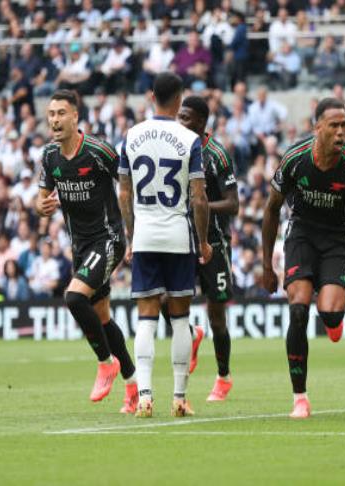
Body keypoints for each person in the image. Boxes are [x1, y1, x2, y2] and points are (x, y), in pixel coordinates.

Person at [262, 97, 345, 419]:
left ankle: (333, 321)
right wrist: (266, 267)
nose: (341, 132)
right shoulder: (294, 160)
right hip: (300, 234)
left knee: (330, 312)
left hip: (336, 240)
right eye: (334, 126)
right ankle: (300, 398)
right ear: (318, 128)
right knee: (298, 309)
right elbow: (271, 210)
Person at [35, 89, 137, 413]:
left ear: (75, 116)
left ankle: (106, 363)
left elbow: (127, 184)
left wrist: (134, 232)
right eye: (51, 114)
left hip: (108, 239)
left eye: (61, 113)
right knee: (103, 317)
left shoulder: (98, 152)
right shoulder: (49, 156)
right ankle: (133, 386)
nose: (55, 120)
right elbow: (41, 198)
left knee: (74, 298)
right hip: (79, 246)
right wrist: (43, 206)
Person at [118, 72, 211, 418]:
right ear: (179, 98)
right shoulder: (189, 139)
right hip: (176, 233)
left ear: (151, 95)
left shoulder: (131, 135)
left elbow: (124, 192)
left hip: (144, 233)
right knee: (181, 318)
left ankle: (143, 396)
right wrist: (202, 242)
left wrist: (130, 236)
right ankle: (179, 397)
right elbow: (199, 198)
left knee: (146, 319)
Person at [176, 95, 239, 402]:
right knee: (166, 301)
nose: (180, 122)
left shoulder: (216, 154)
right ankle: (190, 335)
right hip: (179, 241)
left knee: (216, 314)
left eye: (185, 118)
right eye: (178, 116)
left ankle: (223, 377)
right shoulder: (175, 149)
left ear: (201, 122)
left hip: (214, 243)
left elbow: (234, 203)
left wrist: (201, 206)